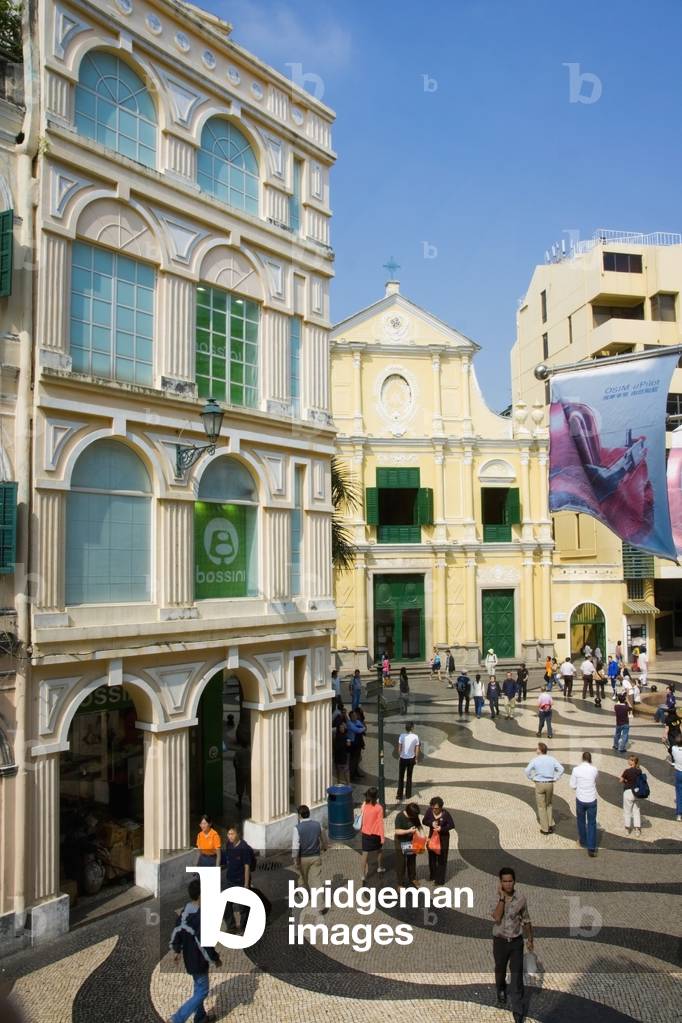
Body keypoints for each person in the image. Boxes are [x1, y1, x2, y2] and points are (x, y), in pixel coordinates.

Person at [168, 878, 222, 1023]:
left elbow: (177, 929)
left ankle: (201, 1017)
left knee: (198, 988)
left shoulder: (185, 911)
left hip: (189, 958)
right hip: (199, 960)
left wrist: (177, 950)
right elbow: (206, 944)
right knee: (202, 991)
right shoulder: (202, 918)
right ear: (200, 895)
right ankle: (177, 1019)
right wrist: (215, 959)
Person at [491, 867, 533, 1023]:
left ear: (514, 881)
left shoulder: (521, 898)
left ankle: (518, 1009)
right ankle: (501, 988)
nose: (508, 884)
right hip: (500, 941)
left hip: (516, 942)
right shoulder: (495, 897)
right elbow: (496, 917)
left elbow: (526, 919)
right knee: (500, 969)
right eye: (505, 881)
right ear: (500, 882)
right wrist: (502, 899)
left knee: (516, 976)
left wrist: (530, 939)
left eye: (510, 881)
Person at [524, 742, 564, 835]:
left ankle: (545, 829)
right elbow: (561, 769)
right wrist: (555, 778)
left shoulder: (535, 760)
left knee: (541, 807)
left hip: (539, 784)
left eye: (537, 748)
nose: (536, 750)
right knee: (549, 804)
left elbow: (527, 770)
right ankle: (550, 825)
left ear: (540, 750)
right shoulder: (552, 759)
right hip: (550, 783)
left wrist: (532, 778)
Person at [222, 826, 255, 933]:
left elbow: (247, 867)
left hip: (241, 881)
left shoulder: (244, 848)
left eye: (232, 834)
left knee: (243, 907)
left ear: (238, 834)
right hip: (230, 879)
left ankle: (243, 927)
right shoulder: (228, 844)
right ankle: (231, 926)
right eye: (228, 834)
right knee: (225, 904)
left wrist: (246, 884)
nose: (230, 836)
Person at [292, 804, 328, 895]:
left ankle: (304, 895)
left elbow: (296, 846)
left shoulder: (297, 828)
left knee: (302, 878)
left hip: (303, 858)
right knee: (316, 879)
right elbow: (323, 838)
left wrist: (295, 860)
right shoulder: (317, 825)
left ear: (299, 815)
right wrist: (325, 847)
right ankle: (320, 900)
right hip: (316, 857)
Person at [570, 751, 599, 856]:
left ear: (582, 758)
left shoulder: (576, 770)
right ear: (590, 759)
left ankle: (582, 841)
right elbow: (595, 780)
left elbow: (572, 785)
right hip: (592, 799)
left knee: (581, 821)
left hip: (581, 799)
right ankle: (591, 848)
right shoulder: (594, 769)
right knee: (592, 823)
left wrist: (579, 787)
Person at [422, 796, 455, 885]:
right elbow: (424, 821)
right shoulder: (429, 811)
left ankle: (439, 880)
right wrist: (431, 823)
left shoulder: (446, 814)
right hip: (432, 837)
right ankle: (433, 875)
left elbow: (452, 825)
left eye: (436, 808)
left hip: (443, 839)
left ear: (441, 807)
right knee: (431, 857)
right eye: (433, 808)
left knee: (442, 859)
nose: (434, 810)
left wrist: (442, 829)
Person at [393, 802, 423, 887]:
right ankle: (400, 883)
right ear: (409, 813)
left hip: (410, 841)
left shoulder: (414, 816)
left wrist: (423, 837)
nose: (415, 818)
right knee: (401, 863)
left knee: (411, 860)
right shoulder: (400, 816)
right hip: (400, 841)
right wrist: (409, 831)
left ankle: (412, 878)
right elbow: (397, 831)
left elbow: (419, 826)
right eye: (413, 816)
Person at [359, 787, 385, 879]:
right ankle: (379, 867)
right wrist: (382, 837)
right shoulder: (379, 808)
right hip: (376, 834)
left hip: (365, 833)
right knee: (379, 851)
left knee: (364, 854)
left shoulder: (364, 805)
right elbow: (380, 823)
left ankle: (362, 875)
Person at [619, 755, 643, 836]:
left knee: (627, 811)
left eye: (629, 760)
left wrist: (625, 781)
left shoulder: (627, 771)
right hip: (637, 792)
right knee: (636, 810)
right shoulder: (639, 771)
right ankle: (637, 829)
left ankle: (627, 829)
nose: (628, 761)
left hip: (628, 792)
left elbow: (621, 780)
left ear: (632, 761)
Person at [396, 721, 421, 800]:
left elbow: (399, 749)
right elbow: (417, 749)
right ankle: (408, 794)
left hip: (403, 758)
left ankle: (399, 795)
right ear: (412, 728)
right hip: (411, 759)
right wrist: (416, 758)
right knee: (409, 777)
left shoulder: (401, 736)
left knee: (401, 777)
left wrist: (400, 755)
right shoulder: (416, 737)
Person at [347, 709, 366, 780]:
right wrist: (362, 728)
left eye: (355, 715)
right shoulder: (349, 723)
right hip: (353, 744)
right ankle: (352, 775)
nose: (355, 717)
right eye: (354, 716)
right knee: (353, 760)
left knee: (357, 758)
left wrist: (362, 728)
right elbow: (357, 730)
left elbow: (362, 727)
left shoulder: (357, 721)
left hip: (358, 742)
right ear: (351, 717)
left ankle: (356, 772)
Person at [233, 739, 251, 810]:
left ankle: (240, 802)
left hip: (240, 771)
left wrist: (236, 769)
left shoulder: (238, 752)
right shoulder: (249, 752)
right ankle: (251, 803)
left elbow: (235, 761)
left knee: (240, 787)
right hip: (248, 771)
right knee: (249, 787)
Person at [670, 737, 682, 822]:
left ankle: (679, 814)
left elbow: (671, 746)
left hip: (678, 772)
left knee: (679, 793)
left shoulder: (674, 749)